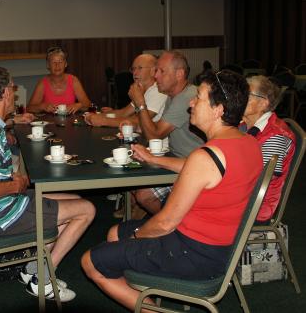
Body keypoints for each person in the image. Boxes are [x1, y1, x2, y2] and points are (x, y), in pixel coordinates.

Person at [81, 70, 262, 311]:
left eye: (198, 97)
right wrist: (154, 160)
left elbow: (165, 223)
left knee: (91, 261)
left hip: (193, 253)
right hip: (220, 249)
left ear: (218, 110)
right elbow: (203, 169)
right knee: (115, 232)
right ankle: (150, 297)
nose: (191, 102)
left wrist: (137, 238)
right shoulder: (247, 142)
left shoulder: (205, 156)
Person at [0, 65, 95, 302]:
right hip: (1, 216)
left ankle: (31, 270)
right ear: (5, 93)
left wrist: (12, 183)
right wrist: (15, 185)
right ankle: (43, 279)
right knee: (86, 210)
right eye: (12, 87)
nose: (15, 92)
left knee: (74, 200)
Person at [128, 50, 205, 214]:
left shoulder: (187, 97)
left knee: (144, 195)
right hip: (175, 157)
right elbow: (154, 128)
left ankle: (175, 225)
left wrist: (140, 103)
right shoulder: (172, 95)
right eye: (156, 71)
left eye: (161, 71)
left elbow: (154, 136)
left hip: (192, 166)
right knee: (132, 173)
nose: (156, 76)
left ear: (179, 74)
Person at [240, 75, 295, 222]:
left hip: (256, 205)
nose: (239, 98)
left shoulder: (276, 135)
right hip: (241, 196)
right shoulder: (244, 125)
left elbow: (259, 181)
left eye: (246, 94)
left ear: (263, 103)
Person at [84, 54, 167, 128]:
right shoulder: (142, 90)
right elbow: (124, 113)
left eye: (140, 68)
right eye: (133, 69)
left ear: (153, 71)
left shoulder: (158, 91)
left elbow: (138, 120)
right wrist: (96, 116)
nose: (135, 73)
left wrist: (103, 120)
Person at [27, 46, 91, 114]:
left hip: (70, 123)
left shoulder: (73, 80)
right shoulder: (42, 83)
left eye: (60, 62)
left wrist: (79, 105)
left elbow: (88, 105)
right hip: (49, 123)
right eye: (53, 62)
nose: (57, 65)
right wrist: (43, 106)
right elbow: (29, 108)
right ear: (48, 65)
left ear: (65, 64)